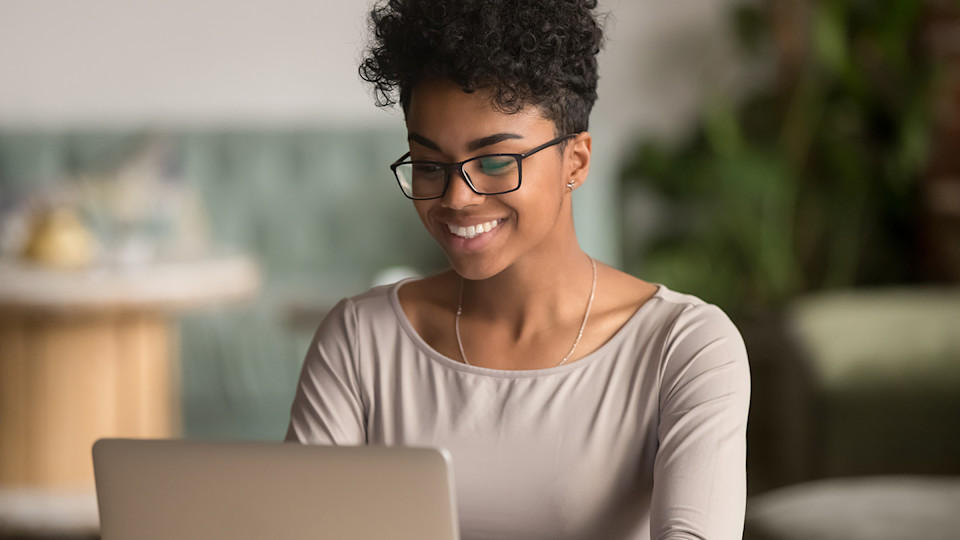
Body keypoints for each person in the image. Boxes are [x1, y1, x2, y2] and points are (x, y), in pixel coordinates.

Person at [286, 1, 751, 538]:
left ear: (575, 161)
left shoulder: (685, 347)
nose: (457, 198)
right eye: (429, 165)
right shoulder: (360, 340)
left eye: (495, 162)